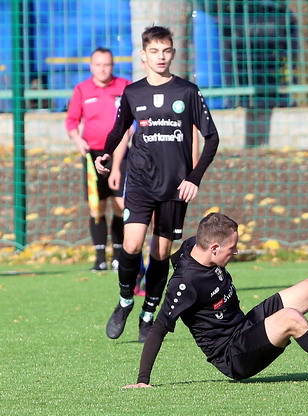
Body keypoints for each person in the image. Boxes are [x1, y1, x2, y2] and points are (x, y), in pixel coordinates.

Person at [122, 213, 308, 388]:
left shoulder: (192, 246)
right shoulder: (184, 284)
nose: (237, 252)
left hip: (244, 327)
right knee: (292, 319)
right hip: (233, 355)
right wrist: (143, 379)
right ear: (213, 248)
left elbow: (175, 258)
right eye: (232, 248)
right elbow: (159, 328)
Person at [95, 25, 219, 343]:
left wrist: (194, 177)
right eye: (154, 51)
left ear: (173, 53)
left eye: (165, 51)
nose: (160, 56)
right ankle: (125, 301)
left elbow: (212, 137)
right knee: (132, 244)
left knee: (161, 252)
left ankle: (148, 314)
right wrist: (106, 153)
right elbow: (119, 128)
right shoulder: (133, 92)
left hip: (175, 186)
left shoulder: (187, 92)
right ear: (143, 55)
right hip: (140, 181)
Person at [66, 47, 130, 271]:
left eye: (107, 65)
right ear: (91, 66)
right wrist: (78, 140)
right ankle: (100, 258)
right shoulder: (82, 90)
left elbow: (128, 126)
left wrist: (116, 166)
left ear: (113, 65)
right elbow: (71, 121)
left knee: (121, 205)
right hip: (92, 155)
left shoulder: (124, 86)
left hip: (119, 154)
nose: (103, 69)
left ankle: (119, 256)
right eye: (98, 65)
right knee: (97, 206)